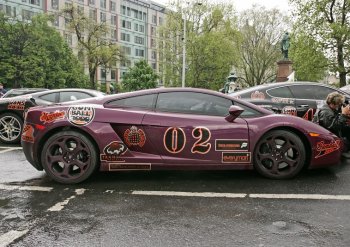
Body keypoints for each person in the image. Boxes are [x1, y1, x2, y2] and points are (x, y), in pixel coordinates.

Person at [312, 92, 350, 157]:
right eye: (339, 104)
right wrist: (343, 115)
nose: (340, 106)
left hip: (330, 132)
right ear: (333, 103)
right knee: (347, 142)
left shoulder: (330, 108)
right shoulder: (325, 112)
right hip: (326, 138)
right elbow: (334, 126)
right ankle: (343, 149)